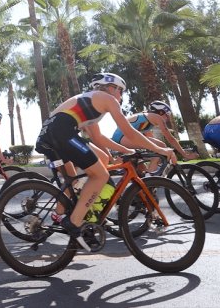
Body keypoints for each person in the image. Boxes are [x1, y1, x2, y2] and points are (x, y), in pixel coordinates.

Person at [35, 73, 176, 251]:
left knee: (89, 167)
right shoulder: (106, 99)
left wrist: (126, 150)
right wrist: (161, 150)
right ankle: (75, 223)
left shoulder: (90, 101)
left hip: (49, 135)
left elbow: (98, 137)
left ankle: (62, 212)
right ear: (112, 88)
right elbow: (130, 132)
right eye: (120, 91)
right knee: (100, 175)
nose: (121, 96)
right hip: (61, 134)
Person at [111, 101, 197, 172]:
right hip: (122, 137)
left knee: (142, 168)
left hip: (121, 137)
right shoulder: (156, 117)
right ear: (160, 112)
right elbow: (170, 138)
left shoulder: (148, 119)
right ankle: (151, 178)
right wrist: (184, 154)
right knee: (161, 147)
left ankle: (147, 178)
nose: (167, 118)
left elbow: (149, 137)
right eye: (167, 115)